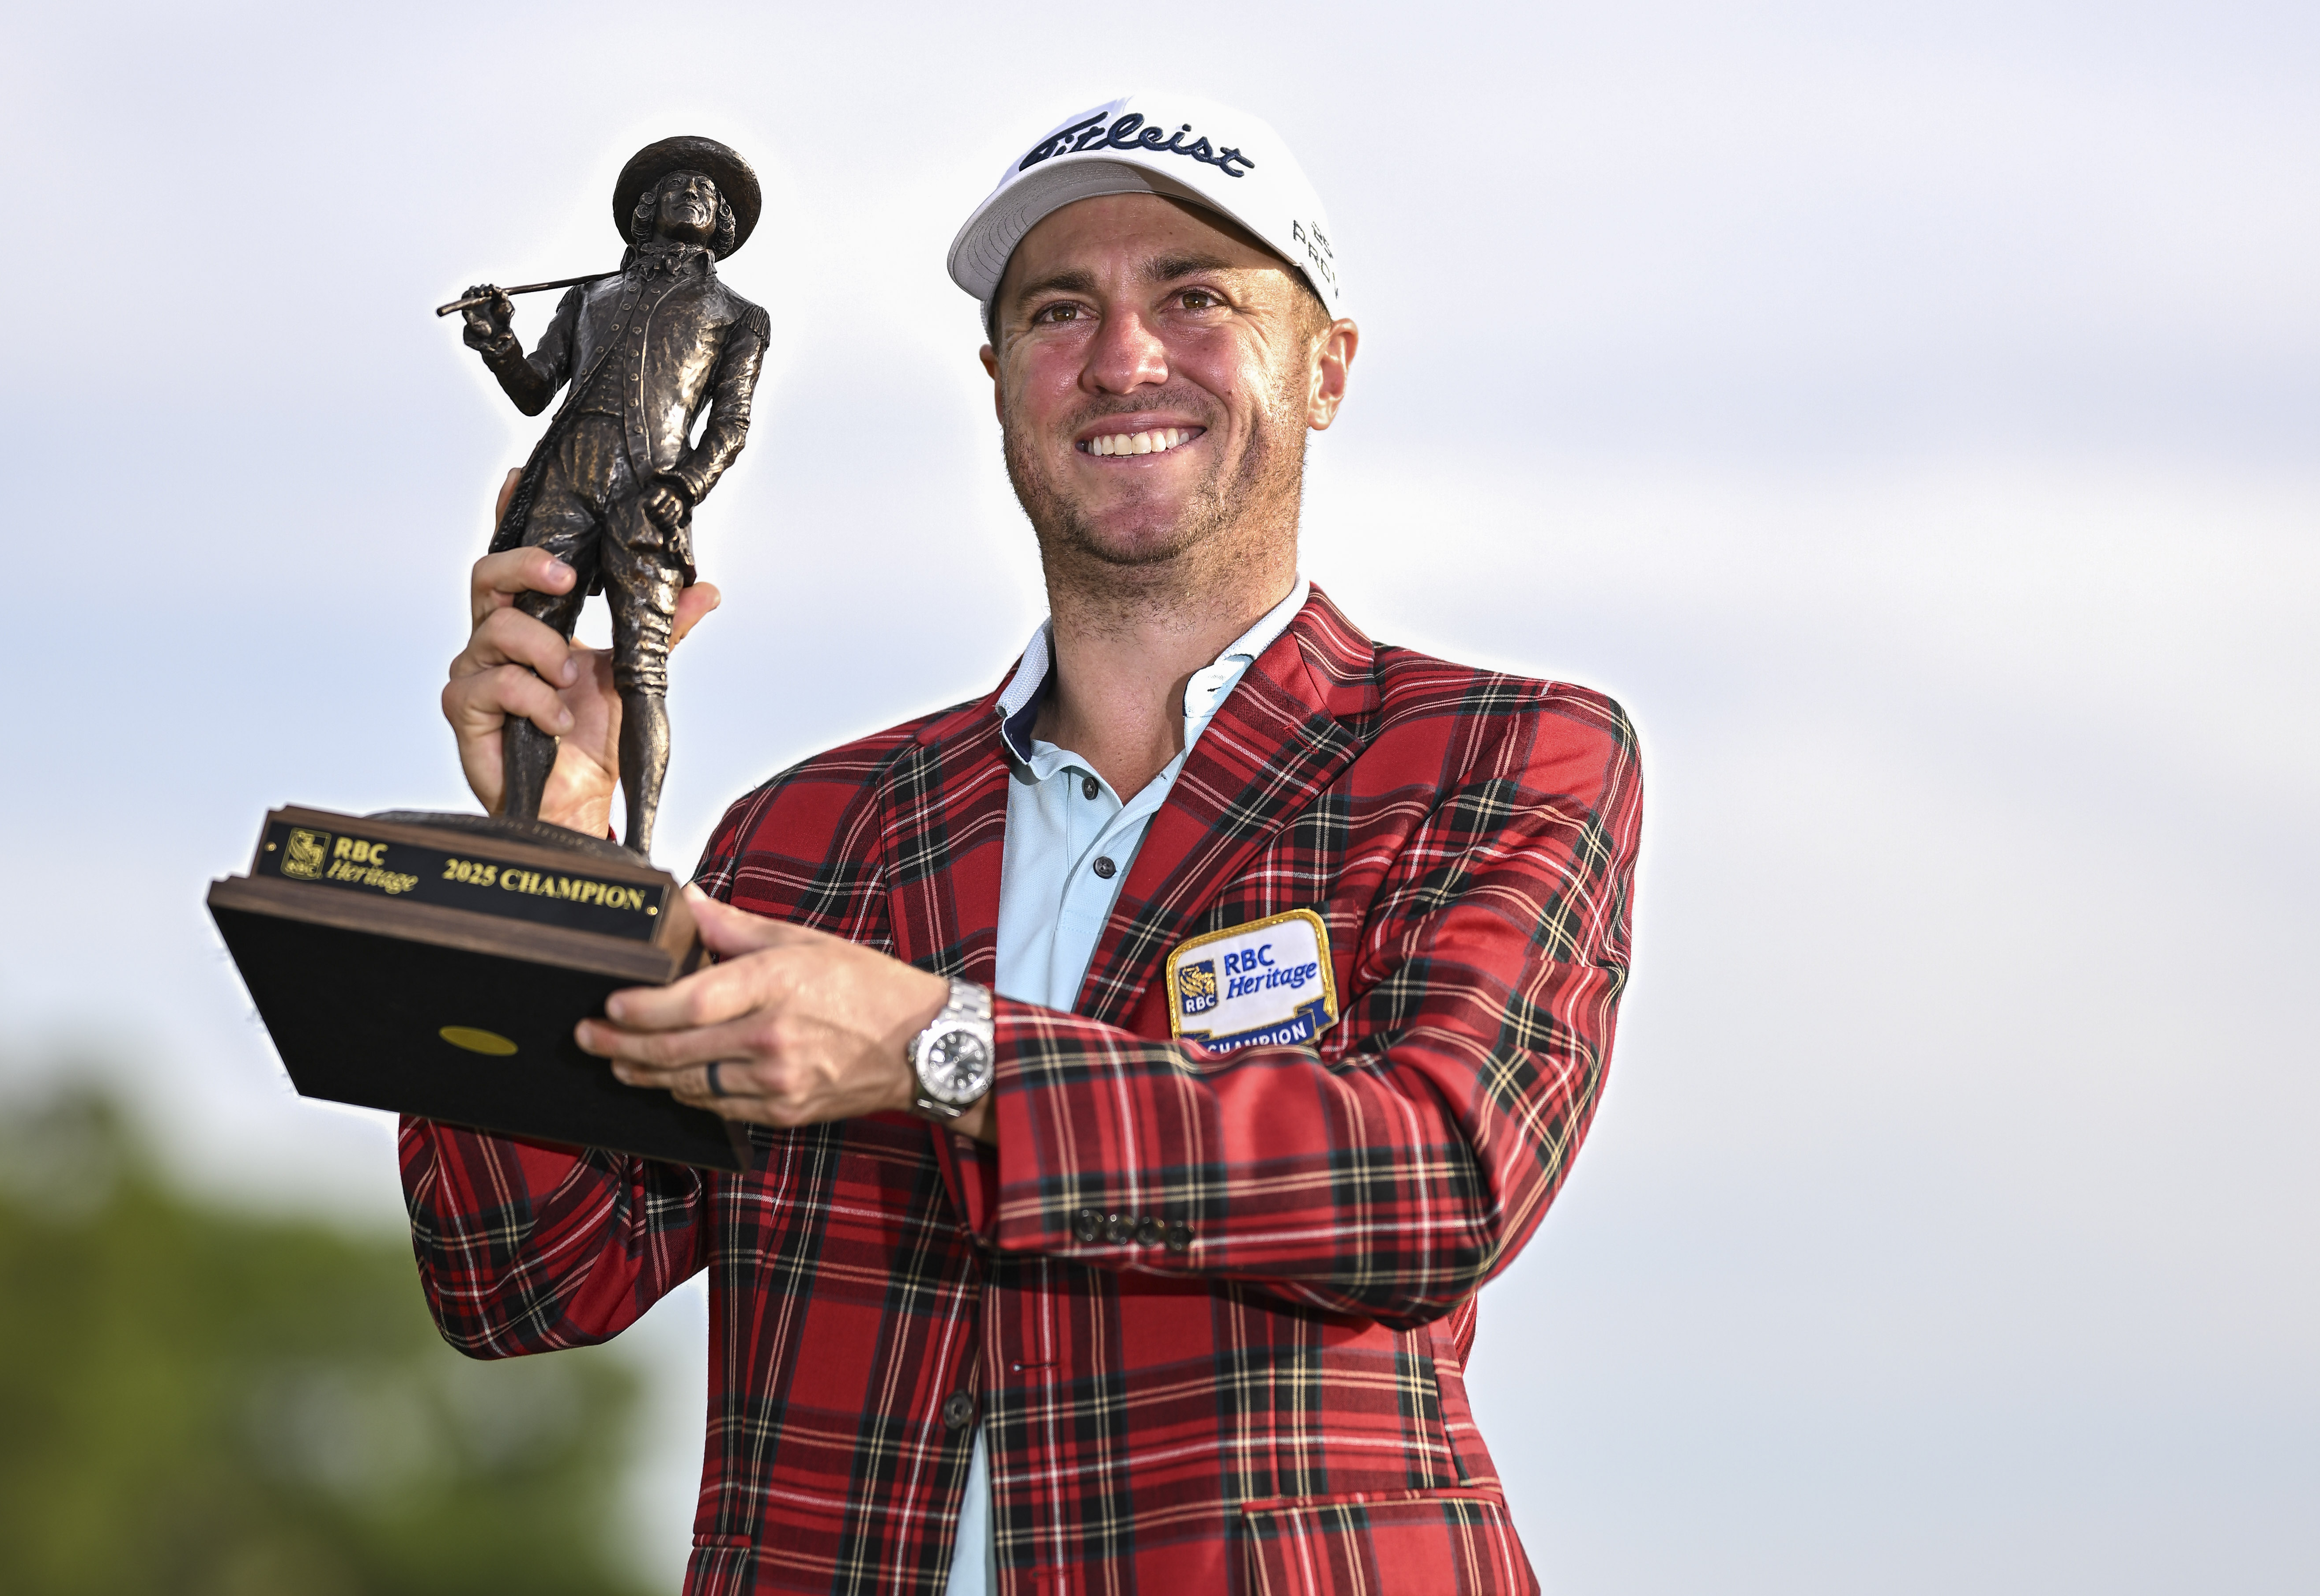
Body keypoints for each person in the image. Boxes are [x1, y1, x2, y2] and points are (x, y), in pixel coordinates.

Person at [410, 94, 1642, 1595]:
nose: (1124, 356)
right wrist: (556, 873)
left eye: (1195, 296)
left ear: (1326, 368)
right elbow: (526, 1275)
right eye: (1062, 309)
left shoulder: (1497, 754)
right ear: (999, 380)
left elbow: (1434, 1174)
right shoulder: (810, 836)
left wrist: (940, 1047)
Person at [455, 134, 770, 859]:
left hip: (650, 491)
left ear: (720, 224)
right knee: (531, 657)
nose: (693, 193)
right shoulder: (590, 293)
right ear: (645, 212)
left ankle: (638, 853)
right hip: (566, 473)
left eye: (708, 192)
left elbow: (732, 425)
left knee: (643, 670)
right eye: (676, 186)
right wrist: (497, 341)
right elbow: (536, 391)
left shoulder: (740, 315)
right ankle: (522, 834)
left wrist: (688, 484)